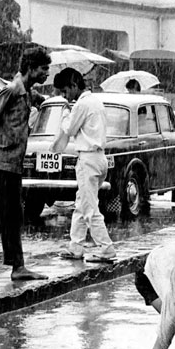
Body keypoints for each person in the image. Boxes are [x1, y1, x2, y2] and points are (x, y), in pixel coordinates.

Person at [0, 45, 51, 285]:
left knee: (15, 216)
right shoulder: (11, 90)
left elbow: (39, 100)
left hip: (13, 165)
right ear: (30, 69)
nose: (46, 74)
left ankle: (18, 266)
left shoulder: (26, 92)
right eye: (43, 69)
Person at [50, 67, 117, 262]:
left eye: (65, 91)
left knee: (89, 208)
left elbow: (70, 129)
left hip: (88, 159)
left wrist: (64, 115)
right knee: (82, 203)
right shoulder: (96, 101)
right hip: (99, 158)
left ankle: (106, 248)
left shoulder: (82, 105)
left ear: (73, 85)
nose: (65, 96)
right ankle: (76, 246)